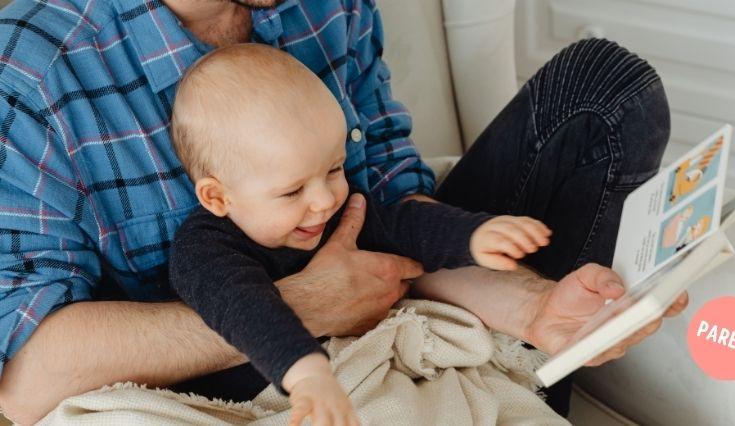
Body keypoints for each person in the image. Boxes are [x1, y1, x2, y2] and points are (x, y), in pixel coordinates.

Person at [0, 0, 686, 423]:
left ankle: (527, 364)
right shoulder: (32, 68)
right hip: (214, 382)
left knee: (602, 89)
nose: (324, 195)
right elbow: (24, 383)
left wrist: (528, 302)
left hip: (383, 318)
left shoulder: (329, 5)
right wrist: (306, 309)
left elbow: (383, 209)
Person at [168, 43, 553, 426]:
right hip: (269, 394)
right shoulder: (203, 253)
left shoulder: (337, 213)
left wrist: (474, 236)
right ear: (217, 196)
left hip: (352, 374)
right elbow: (247, 310)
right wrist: (307, 374)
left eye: (334, 169)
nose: (324, 200)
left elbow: (405, 226)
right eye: (292, 191)